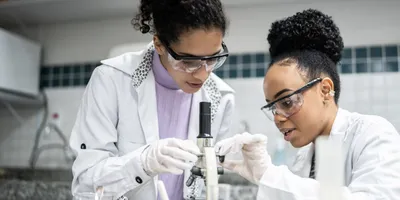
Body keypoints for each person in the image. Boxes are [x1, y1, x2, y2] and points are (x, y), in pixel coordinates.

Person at [215, 9, 400, 200]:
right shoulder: (304, 157)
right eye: (272, 107)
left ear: (325, 90)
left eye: (287, 102)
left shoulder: (373, 135)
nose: (278, 118)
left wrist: (268, 175)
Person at [69, 0, 235, 199]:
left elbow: (206, 184)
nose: (203, 75)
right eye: (189, 62)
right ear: (159, 45)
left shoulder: (221, 97)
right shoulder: (111, 80)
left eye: (213, 59)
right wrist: (143, 163)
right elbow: (85, 184)